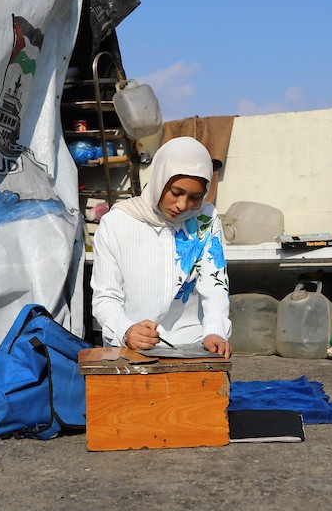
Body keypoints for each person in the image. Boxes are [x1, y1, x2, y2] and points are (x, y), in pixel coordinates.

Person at [90, 136, 232, 357]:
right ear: (159, 179)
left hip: (193, 344)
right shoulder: (117, 223)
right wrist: (126, 330)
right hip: (131, 347)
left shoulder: (206, 218)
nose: (183, 206)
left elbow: (214, 285)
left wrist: (215, 331)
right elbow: (105, 297)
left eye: (195, 197)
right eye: (176, 193)